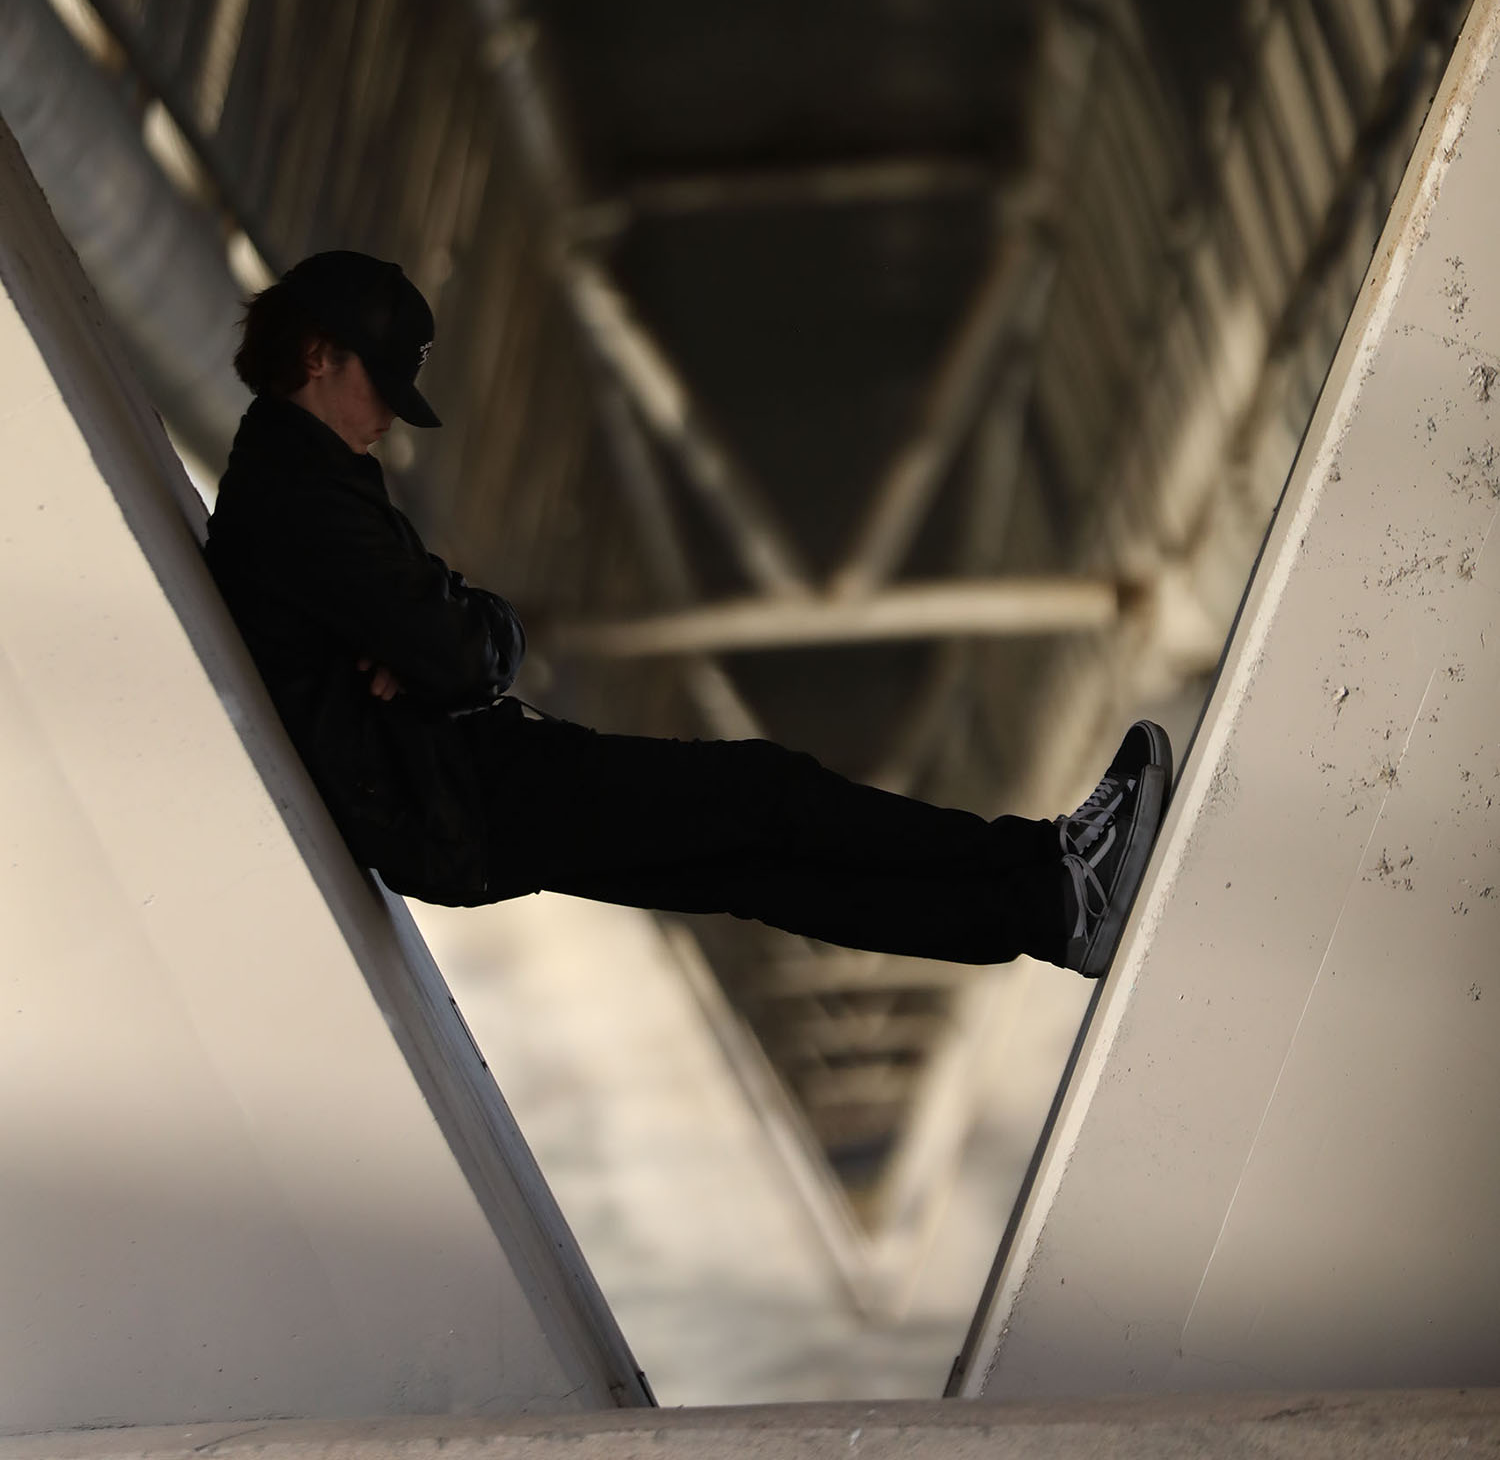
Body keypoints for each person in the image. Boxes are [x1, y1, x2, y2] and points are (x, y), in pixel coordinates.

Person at [205, 250, 1172, 977]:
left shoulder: (308, 479)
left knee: (756, 866)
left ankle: (1052, 912)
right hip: (469, 791)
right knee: (765, 793)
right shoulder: (297, 492)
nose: (387, 415)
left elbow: (448, 635)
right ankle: (1048, 867)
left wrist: (443, 634)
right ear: (317, 354)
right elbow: (461, 649)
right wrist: (449, 636)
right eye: (380, 381)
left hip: (461, 797)